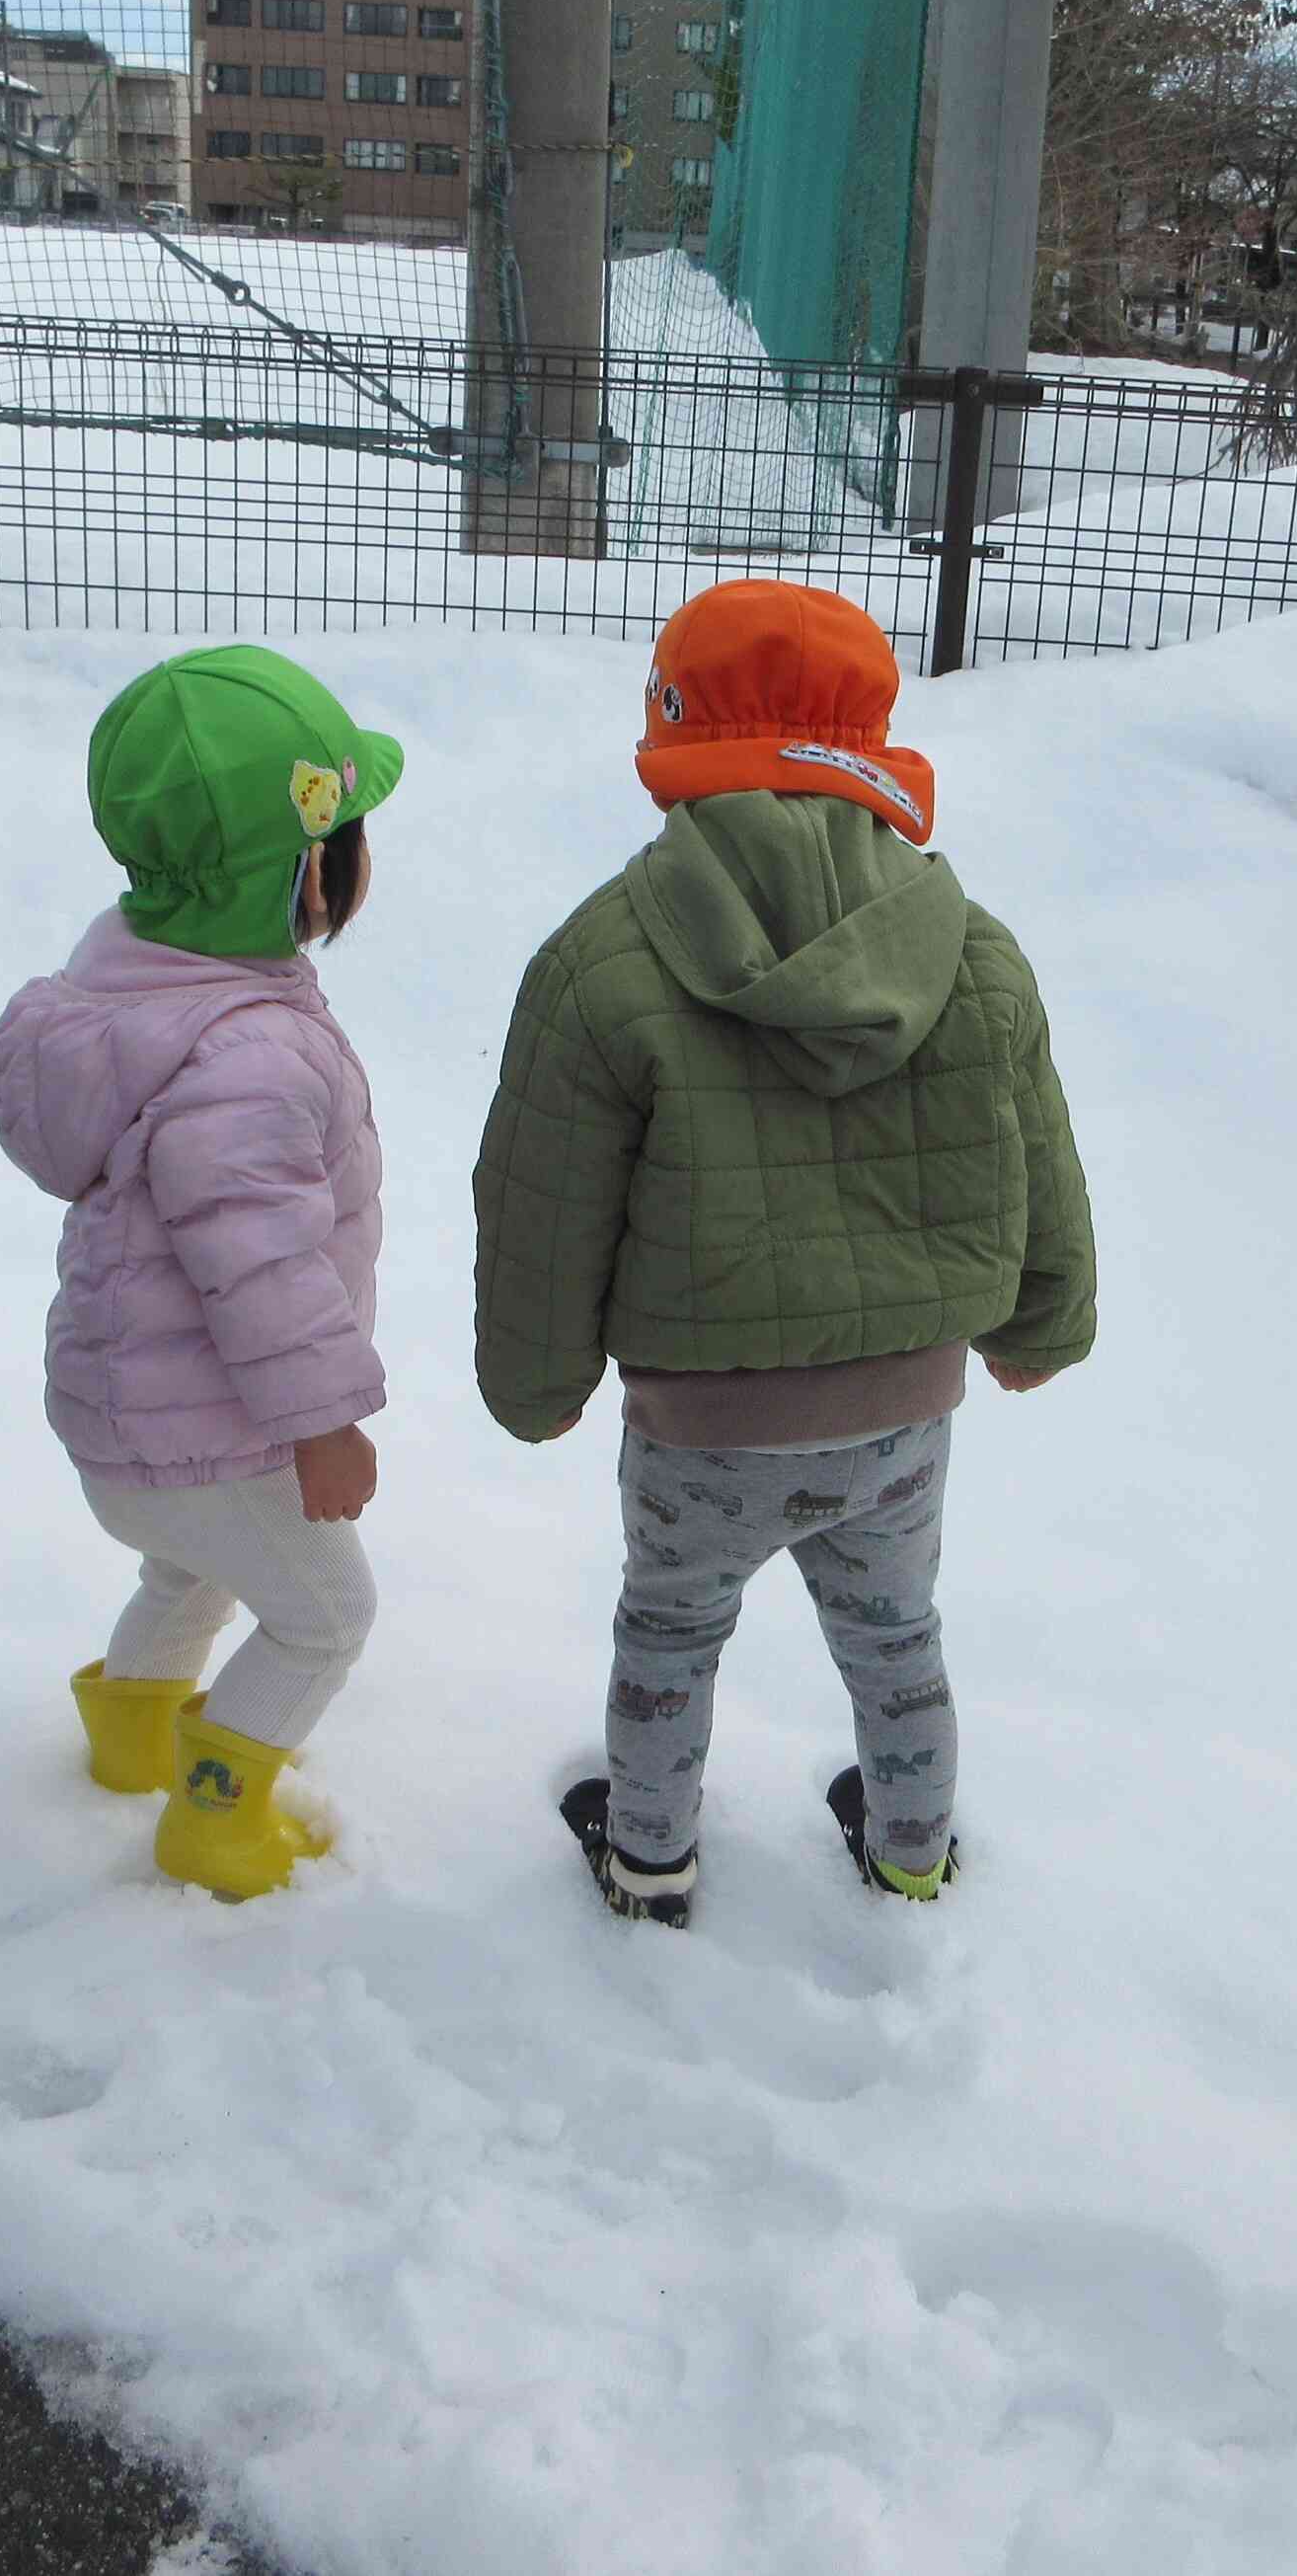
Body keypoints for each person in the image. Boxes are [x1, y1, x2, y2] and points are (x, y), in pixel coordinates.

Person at [471, 580, 1096, 1927]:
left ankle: (648, 1863)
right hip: (903, 1414)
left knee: (669, 1636)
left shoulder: (601, 959)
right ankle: (913, 1853)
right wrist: (1040, 1326)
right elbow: (1038, 1152)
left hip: (704, 1425)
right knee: (893, 1632)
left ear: (676, 727)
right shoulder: (970, 950)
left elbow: (544, 1195)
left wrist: (536, 1380)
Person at [0, 645, 395, 1903]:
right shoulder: (247, 1054)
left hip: (131, 1427)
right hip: (223, 1426)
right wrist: (323, 1420)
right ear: (302, 870)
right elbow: (257, 1262)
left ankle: (132, 1736)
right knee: (324, 1617)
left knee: (193, 1565)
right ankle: (216, 1808)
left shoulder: (131, 990)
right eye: (351, 834)